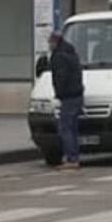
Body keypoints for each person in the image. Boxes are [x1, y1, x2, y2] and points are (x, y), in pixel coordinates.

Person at [46, 31, 85, 171]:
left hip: (68, 96)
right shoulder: (72, 53)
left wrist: (59, 94)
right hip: (77, 95)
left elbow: (61, 77)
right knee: (72, 128)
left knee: (65, 128)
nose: (49, 45)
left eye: (50, 42)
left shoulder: (59, 57)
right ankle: (74, 156)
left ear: (55, 42)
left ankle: (71, 158)